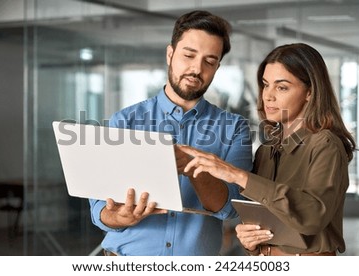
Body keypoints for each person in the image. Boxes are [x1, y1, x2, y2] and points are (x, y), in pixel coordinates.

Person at [88, 10, 253, 256]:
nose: (196, 69)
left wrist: (193, 165)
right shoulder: (124, 121)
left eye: (209, 61)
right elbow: (99, 209)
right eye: (188, 55)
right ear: (170, 54)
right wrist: (119, 217)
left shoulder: (234, 128)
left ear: (217, 67)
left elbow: (231, 208)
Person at [179, 43, 357, 256]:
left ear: (310, 92)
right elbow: (265, 220)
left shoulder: (325, 144)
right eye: (265, 85)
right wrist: (250, 240)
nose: (268, 96)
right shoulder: (266, 151)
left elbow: (312, 217)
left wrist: (238, 175)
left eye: (282, 87)